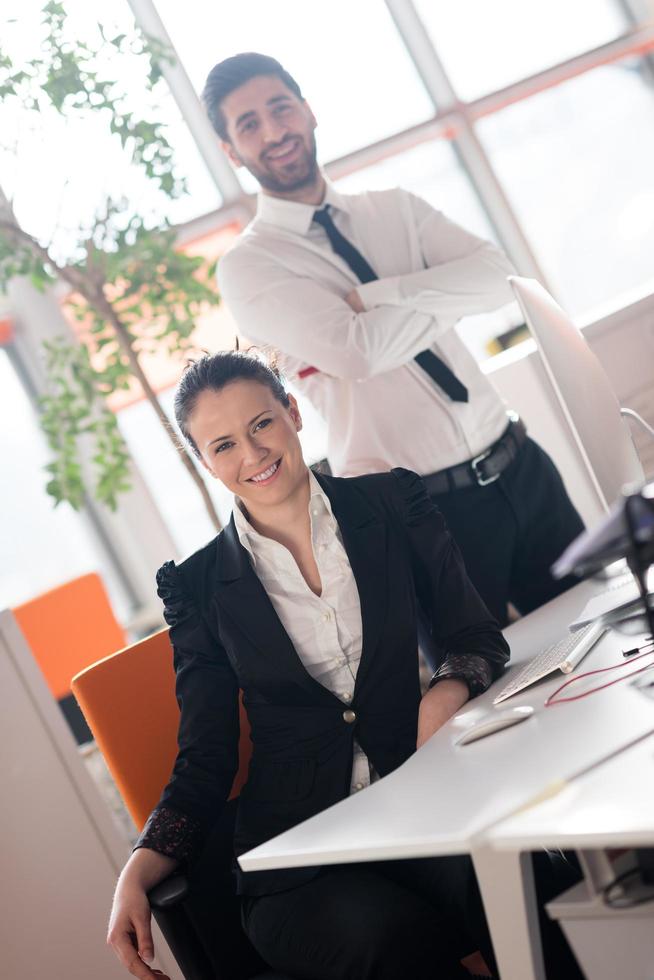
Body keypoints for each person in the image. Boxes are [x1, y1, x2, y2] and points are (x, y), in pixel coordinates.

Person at [107, 350, 511, 980]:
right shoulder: (198, 588)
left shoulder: (391, 502)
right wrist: (137, 869)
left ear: (292, 413)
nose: (252, 455)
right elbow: (206, 757)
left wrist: (444, 692)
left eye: (262, 424)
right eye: (223, 445)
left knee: (527, 874)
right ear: (205, 463)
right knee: (388, 942)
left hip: (423, 798)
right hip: (299, 856)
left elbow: (475, 634)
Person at [202, 52, 585, 628]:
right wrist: (442, 298)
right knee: (482, 693)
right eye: (249, 124)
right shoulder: (249, 267)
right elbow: (358, 353)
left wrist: (381, 298)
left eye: (280, 108)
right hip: (421, 513)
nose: (274, 131)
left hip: (522, 467)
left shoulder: (395, 209)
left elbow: (500, 275)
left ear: (307, 111)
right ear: (231, 151)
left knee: (619, 639)